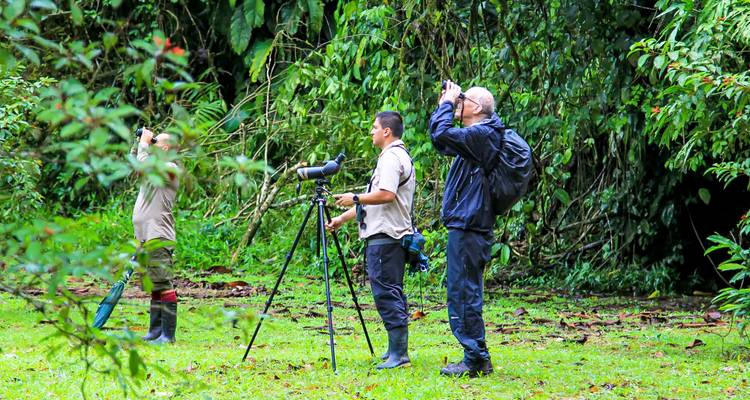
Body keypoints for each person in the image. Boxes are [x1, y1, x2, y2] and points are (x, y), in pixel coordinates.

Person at [326, 111, 416, 369]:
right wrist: (342, 218)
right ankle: (394, 350)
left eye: (375, 127)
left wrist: (355, 197)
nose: (372, 131)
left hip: (386, 236)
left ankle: (400, 355)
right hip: (391, 233)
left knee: (386, 293)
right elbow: (374, 201)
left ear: (387, 131)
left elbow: (385, 195)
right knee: (391, 290)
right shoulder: (398, 156)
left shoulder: (390, 158)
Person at [429, 80, 503, 377]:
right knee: (464, 291)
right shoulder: (478, 137)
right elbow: (441, 139)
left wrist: (446, 103)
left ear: (475, 107)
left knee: (464, 293)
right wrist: (446, 104)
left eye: (462, 99)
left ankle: (475, 359)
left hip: (470, 226)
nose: (456, 101)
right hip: (468, 224)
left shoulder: (483, 135)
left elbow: (439, 133)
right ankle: (476, 356)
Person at [132, 128, 180, 344]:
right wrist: (139, 143)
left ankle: (167, 336)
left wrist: (144, 143)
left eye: (156, 142)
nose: (151, 144)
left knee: (164, 283)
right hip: (145, 237)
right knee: (154, 284)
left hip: (158, 235)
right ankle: (154, 332)